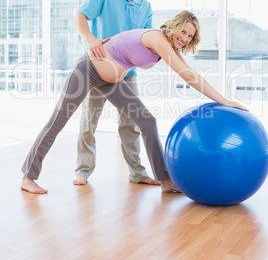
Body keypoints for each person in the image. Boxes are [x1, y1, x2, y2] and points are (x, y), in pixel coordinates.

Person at [21, 10, 248, 194]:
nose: (185, 38)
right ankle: (28, 177)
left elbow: (192, 76)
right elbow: (187, 76)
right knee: (57, 122)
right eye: (184, 32)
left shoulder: (169, 48)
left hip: (111, 82)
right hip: (88, 69)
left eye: (190, 37)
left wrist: (225, 101)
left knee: (147, 121)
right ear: (176, 25)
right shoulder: (157, 38)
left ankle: (166, 180)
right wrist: (226, 101)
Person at [73, 0, 164, 187]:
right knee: (89, 120)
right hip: (99, 67)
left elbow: (146, 40)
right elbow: (80, 16)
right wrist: (91, 40)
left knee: (130, 123)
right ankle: (83, 169)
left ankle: (137, 173)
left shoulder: (145, 6)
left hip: (128, 73)